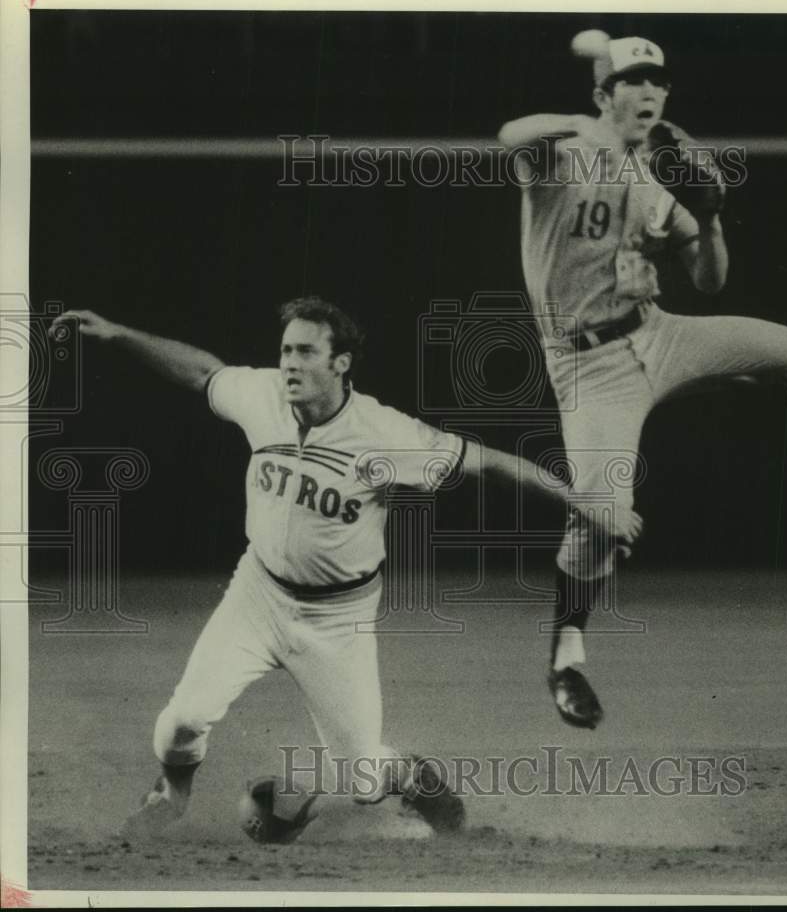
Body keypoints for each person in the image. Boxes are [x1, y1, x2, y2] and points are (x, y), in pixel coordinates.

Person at [49, 297, 642, 841]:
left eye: (306, 351)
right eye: (285, 350)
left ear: (341, 363)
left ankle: (411, 775)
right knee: (179, 722)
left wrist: (585, 504)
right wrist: (117, 333)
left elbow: (487, 464)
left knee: (363, 779)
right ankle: (171, 795)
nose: (289, 363)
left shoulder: (383, 434)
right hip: (256, 596)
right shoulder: (263, 399)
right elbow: (203, 373)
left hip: (338, 622)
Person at [498, 32, 787, 731]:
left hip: (658, 334)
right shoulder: (559, 155)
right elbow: (509, 133)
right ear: (603, 95)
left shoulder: (653, 186)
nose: (648, 93)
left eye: (657, 83)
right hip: (587, 366)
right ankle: (566, 656)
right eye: (632, 82)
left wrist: (711, 215)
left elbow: (709, 280)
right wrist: (588, 127)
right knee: (603, 513)